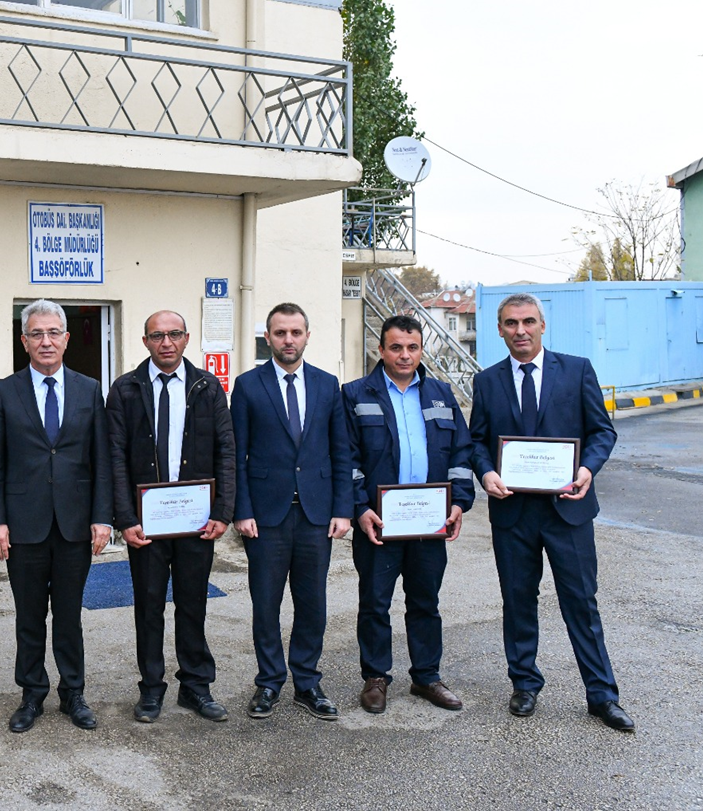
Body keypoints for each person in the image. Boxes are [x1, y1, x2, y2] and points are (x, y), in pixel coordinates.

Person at [470, 292, 632, 731]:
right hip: (513, 513)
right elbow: (477, 441)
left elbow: (602, 432)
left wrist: (587, 469)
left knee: (581, 603)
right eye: (511, 323)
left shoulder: (577, 370)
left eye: (528, 321)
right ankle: (524, 684)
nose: (520, 330)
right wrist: (486, 473)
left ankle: (602, 695)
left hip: (569, 512)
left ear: (542, 325)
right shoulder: (487, 381)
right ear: (499, 330)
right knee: (517, 601)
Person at [0, 298, 113, 733]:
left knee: (70, 615)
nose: (46, 341)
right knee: (29, 616)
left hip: (75, 523)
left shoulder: (89, 389)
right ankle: (31, 693)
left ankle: (73, 692)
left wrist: (103, 517)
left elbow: (101, 460)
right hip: (23, 524)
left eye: (53, 332)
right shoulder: (4, 391)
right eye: (36, 334)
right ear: (24, 341)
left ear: (67, 338)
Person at [341, 314, 475, 714]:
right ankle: (375, 678)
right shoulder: (355, 394)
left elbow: (461, 452)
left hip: (429, 522)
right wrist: (360, 508)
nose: (404, 355)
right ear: (381, 350)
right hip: (378, 524)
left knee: (425, 602)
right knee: (374, 602)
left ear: (421, 350)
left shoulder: (440, 394)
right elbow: (347, 458)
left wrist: (458, 502)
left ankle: (427, 677)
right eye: (396, 347)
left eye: (412, 347)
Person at [106, 310, 235, 723]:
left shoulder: (207, 386)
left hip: (196, 522)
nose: (166, 342)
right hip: (146, 524)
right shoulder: (126, 389)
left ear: (186, 338)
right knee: (148, 607)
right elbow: (115, 457)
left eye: (174, 334)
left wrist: (223, 511)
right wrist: (125, 518)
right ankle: (151, 689)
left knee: (193, 604)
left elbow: (226, 450)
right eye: (157, 335)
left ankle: (196, 687)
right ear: (145, 341)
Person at [231, 302, 352, 720]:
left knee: (312, 603)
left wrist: (343, 509)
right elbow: (237, 455)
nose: (288, 340)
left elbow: (341, 451)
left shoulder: (327, 384)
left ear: (307, 336)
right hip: (266, 517)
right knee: (265, 604)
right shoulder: (247, 386)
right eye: (280, 333)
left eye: (295, 332)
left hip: (317, 515)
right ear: (268, 337)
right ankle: (268, 682)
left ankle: (307, 682)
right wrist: (241, 510)